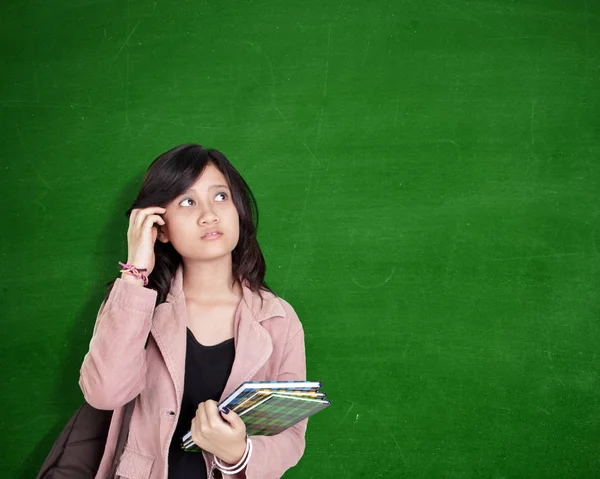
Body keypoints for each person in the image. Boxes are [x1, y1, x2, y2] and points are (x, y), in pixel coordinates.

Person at [79, 144, 308, 478]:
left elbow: (290, 437)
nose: (209, 214)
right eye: (187, 202)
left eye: (220, 197)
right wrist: (134, 275)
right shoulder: (137, 303)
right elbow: (105, 393)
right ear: (161, 228)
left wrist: (239, 453)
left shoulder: (278, 319)